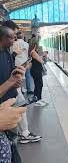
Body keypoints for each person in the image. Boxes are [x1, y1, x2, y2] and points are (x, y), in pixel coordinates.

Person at [0, 26, 29, 163]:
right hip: (3, 110)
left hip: (10, 104)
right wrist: (11, 81)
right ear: (3, 38)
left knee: (12, 143)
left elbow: (11, 72)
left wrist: (15, 81)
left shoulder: (6, 53)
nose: (14, 40)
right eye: (11, 37)